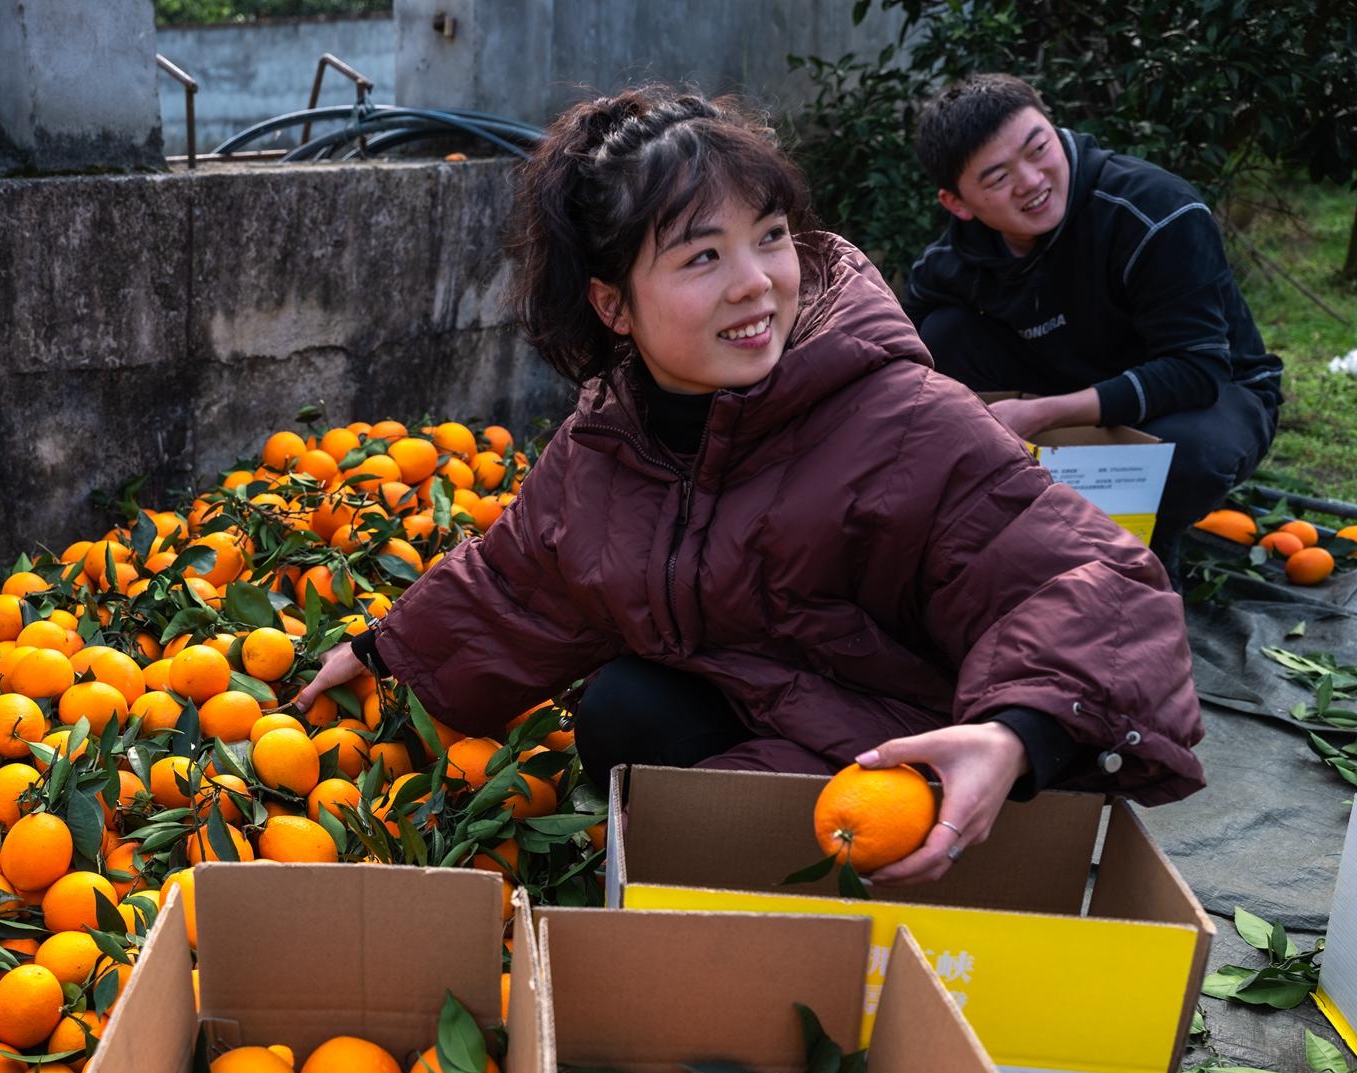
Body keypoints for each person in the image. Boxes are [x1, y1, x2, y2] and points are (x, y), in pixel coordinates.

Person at [294, 85, 1203, 885]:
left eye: (769, 239)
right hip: (766, 711)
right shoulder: (611, 438)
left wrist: (1015, 733)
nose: (755, 286)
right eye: (702, 257)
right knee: (623, 714)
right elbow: (524, 575)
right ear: (614, 304)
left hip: (899, 762)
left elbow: (1093, 582)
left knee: (714, 852)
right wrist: (385, 655)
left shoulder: (900, 421)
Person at [901, 73, 1282, 574]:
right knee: (939, 338)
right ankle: (1013, 532)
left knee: (1191, 452)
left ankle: (1147, 551)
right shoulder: (954, 261)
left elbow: (1198, 368)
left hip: (1207, 390)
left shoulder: (1154, 211)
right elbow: (898, 354)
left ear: (1055, 130)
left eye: (1039, 149)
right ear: (958, 204)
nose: (1032, 182)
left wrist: (1043, 415)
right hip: (1072, 375)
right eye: (997, 178)